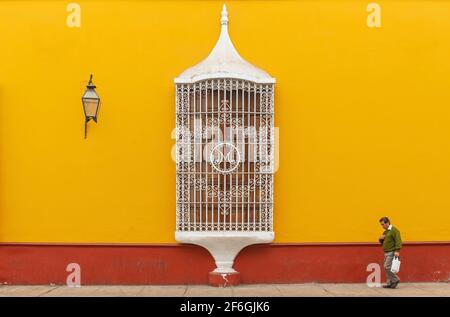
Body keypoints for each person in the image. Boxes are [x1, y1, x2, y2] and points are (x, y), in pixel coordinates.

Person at [378, 217, 402, 289]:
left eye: (383, 224)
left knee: (386, 267)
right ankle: (390, 283)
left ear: (387, 223)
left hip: (391, 252)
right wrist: (380, 239)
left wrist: (397, 250)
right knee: (389, 268)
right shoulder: (386, 232)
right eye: (381, 225)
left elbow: (398, 240)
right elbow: (383, 242)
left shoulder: (394, 230)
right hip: (386, 252)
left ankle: (395, 279)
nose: (382, 226)